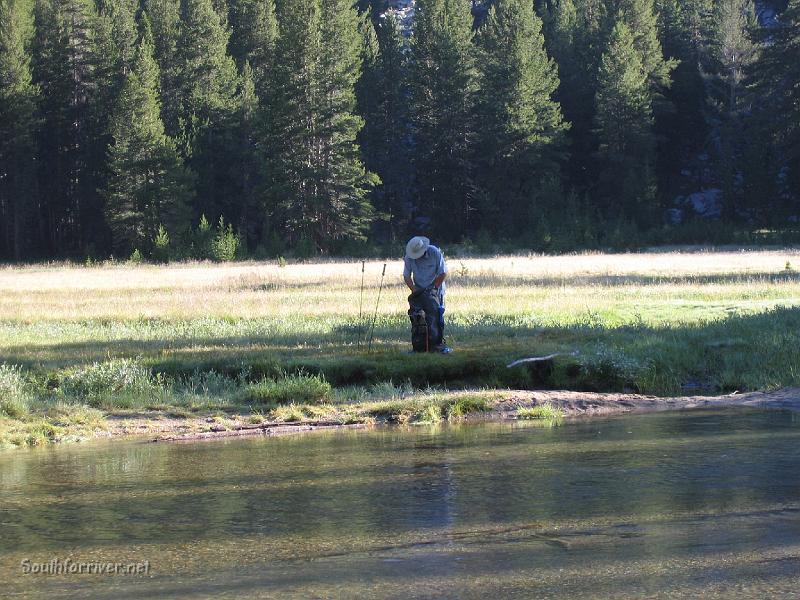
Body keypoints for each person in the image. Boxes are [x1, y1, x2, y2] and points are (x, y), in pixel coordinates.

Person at [403, 236, 451, 353]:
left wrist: (434, 288)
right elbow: (406, 276)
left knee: (436, 318)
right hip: (419, 292)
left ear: (424, 249)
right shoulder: (409, 257)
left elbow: (443, 273)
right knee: (419, 318)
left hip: (435, 290)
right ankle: (420, 345)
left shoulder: (434, 252)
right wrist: (414, 290)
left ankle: (437, 345)